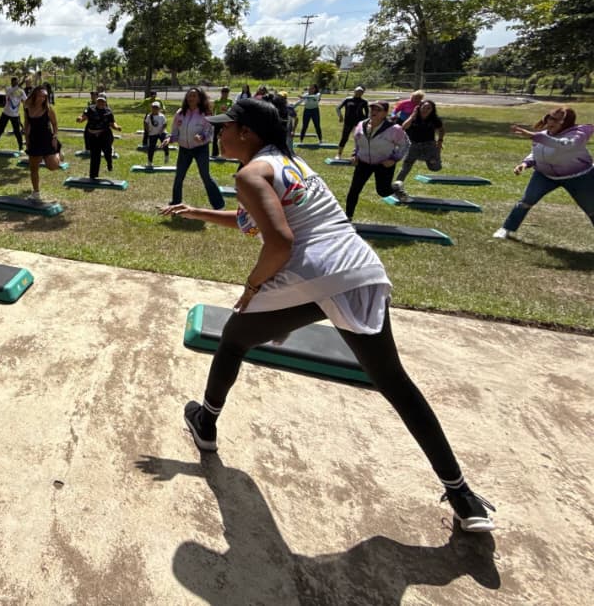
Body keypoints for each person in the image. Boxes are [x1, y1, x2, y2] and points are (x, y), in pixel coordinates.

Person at [165, 96, 496, 533]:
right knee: (393, 381)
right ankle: (462, 495)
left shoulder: (250, 174)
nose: (218, 133)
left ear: (246, 133)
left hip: (310, 272)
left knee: (234, 338)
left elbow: (280, 243)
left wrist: (253, 287)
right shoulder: (291, 164)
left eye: (225, 127)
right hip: (360, 267)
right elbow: (252, 222)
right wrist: (197, 212)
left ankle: (206, 422)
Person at [494, 107, 594, 240]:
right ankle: (506, 228)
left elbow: (564, 144)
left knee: (591, 208)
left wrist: (534, 135)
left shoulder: (578, 135)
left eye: (556, 120)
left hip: (579, 176)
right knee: (526, 200)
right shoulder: (543, 135)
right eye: (549, 118)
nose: (550, 122)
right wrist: (525, 164)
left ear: (567, 122)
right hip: (544, 175)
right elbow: (536, 152)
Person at [345, 101, 410, 220]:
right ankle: (348, 217)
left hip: (384, 164)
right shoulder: (361, 125)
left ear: (385, 113)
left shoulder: (394, 129)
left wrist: (394, 159)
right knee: (354, 190)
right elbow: (358, 142)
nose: (374, 112)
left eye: (378, 110)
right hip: (364, 163)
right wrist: (355, 154)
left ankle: (396, 187)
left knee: (383, 192)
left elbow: (405, 145)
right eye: (372, 109)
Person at [165, 87, 224, 210]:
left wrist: (202, 137)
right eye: (189, 95)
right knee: (179, 176)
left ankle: (218, 205)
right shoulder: (180, 113)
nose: (190, 98)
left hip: (200, 149)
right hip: (184, 150)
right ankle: (175, 202)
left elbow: (209, 132)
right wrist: (170, 139)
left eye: (194, 96)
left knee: (205, 176)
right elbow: (175, 131)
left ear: (199, 98)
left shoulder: (206, 114)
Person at [392, 100, 445, 198]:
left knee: (435, 168)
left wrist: (440, 141)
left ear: (432, 110)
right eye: (424, 107)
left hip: (429, 146)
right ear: (419, 107)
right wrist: (412, 116)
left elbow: (441, 130)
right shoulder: (413, 117)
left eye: (428, 108)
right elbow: (404, 127)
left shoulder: (435, 119)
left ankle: (432, 158)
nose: (425, 110)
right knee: (405, 168)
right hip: (413, 146)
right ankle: (396, 188)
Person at [22, 85, 62, 201]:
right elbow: (27, 125)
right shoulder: (27, 108)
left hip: (47, 139)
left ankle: (59, 152)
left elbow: (55, 124)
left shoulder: (48, 109)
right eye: (40, 96)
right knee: (33, 168)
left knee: (53, 167)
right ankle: (36, 192)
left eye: (44, 97)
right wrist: (27, 140)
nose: (42, 98)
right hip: (34, 140)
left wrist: (55, 137)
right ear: (34, 95)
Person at [77, 93, 121, 179]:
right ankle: (93, 176)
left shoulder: (108, 112)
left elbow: (112, 123)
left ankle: (109, 163)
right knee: (95, 155)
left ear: (105, 102)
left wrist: (117, 127)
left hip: (105, 135)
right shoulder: (90, 109)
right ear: (96, 101)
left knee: (107, 152)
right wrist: (80, 119)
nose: (101, 103)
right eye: (99, 101)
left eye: (102, 101)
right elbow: (83, 117)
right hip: (93, 136)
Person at [0, 76, 27, 150]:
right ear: (11, 82)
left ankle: (21, 147)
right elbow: (14, 89)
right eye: (14, 82)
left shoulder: (21, 91)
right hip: (5, 113)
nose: (15, 84)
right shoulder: (8, 89)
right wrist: (22, 82)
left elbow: (26, 100)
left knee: (17, 132)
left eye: (17, 82)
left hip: (15, 115)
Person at [336, 86, 370, 158]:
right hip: (348, 122)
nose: (359, 93)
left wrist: (366, 122)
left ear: (363, 93)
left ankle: (356, 155)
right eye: (358, 91)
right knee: (344, 138)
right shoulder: (348, 99)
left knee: (358, 139)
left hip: (359, 123)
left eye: (361, 92)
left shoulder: (364, 101)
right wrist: (340, 116)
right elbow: (338, 108)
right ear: (354, 91)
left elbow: (367, 114)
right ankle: (339, 154)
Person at [143, 101, 169, 166]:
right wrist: (147, 130)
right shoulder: (149, 116)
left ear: (159, 109)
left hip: (161, 133)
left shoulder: (162, 116)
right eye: (153, 107)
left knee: (165, 144)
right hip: (152, 134)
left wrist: (161, 130)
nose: (154, 109)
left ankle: (166, 155)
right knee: (151, 148)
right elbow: (145, 123)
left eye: (156, 108)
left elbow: (165, 124)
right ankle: (150, 162)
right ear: (151, 108)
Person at [211, 87, 233, 157]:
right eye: (224, 92)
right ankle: (215, 153)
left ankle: (227, 153)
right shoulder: (217, 101)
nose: (225, 94)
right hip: (218, 121)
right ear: (221, 93)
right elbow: (213, 111)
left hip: (226, 121)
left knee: (226, 137)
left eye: (226, 92)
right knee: (215, 137)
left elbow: (231, 110)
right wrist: (213, 119)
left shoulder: (230, 101)